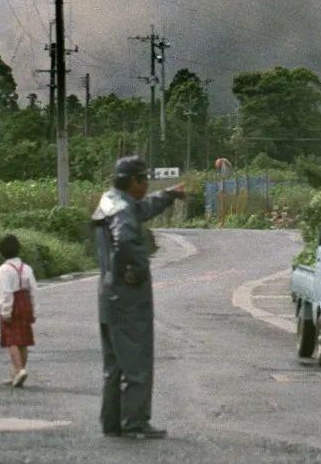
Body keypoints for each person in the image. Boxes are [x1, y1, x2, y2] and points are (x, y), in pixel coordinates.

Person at [91, 154, 185, 440]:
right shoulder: (123, 211)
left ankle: (112, 422)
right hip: (127, 297)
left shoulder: (111, 200)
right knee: (136, 361)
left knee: (114, 364)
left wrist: (168, 195)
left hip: (108, 293)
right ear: (134, 181)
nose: (146, 185)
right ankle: (135, 422)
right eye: (144, 180)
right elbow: (125, 238)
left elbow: (141, 209)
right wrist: (137, 269)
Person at [0, 233, 36, 387]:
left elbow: (6, 292)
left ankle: (19, 370)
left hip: (13, 304)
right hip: (25, 303)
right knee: (23, 340)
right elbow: (33, 290)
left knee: (11, 339)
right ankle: (17, 373)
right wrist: (34, 310)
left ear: (1, 252)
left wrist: (5, 311)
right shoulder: (27, 268)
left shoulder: (3, 269)